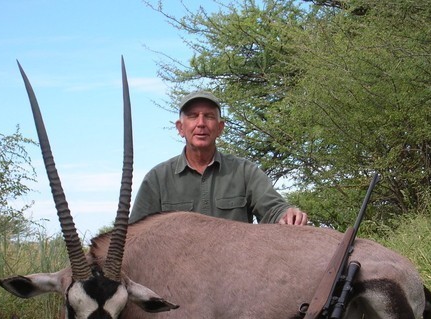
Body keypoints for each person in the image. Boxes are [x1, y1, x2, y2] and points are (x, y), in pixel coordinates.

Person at [129, 91, 308, 225]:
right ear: (180, 128)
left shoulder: (245, 171)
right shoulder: (157, 178)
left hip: (235, 270)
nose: (201, 123)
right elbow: (136, 234)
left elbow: (274, 210)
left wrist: (287, 213)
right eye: (193, 116)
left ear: (220, 127)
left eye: (209, 116)